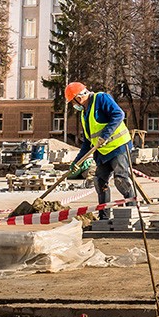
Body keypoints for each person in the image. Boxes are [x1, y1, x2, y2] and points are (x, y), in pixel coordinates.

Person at [66, 81, 135, 220]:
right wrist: (77, 162)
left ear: (78, 98)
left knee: (121, 180)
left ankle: (133, 211)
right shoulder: (84, 114)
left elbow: (118, 114)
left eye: (72, 102)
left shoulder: (101, 99)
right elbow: (87, 142)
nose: (73, 105)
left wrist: (105, 136)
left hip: (119, 147)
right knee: (99, 181)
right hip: (102, 152)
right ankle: (104, 217)